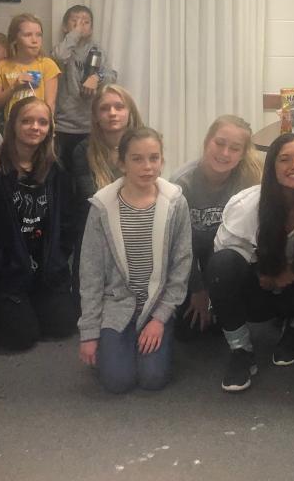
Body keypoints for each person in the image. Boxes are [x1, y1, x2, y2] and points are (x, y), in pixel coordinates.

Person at [206, 134, 294, 392]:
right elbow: (225, 264)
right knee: (221, 266)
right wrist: (264, 276)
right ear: (271, 167)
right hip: (258, 291)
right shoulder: (246, 206)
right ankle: (241, 350)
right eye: (284, 159)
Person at [0, 98, 77, 351]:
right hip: (6, 272)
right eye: (27, 121)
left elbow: (66, 223)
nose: (35, 127)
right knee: (20, 337)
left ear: (49, 129)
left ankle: (30, 302)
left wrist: (56, 259)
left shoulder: (55, 171)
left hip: (44, 269)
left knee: (63, 324)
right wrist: (3, 269)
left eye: (42, 122)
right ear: (13, 126)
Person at [77, 127, 192, 394]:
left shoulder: (176, 204)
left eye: (154, 158)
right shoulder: (102, 208)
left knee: (153, 379)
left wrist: (159, 319)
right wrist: (89, 333)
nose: (147, 167)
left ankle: (150, 342)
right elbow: (91, 273)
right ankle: (118, 345)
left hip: (156, 305)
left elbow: (181, 266)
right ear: (122, 163)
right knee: (117, 382)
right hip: (117, 305)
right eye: (137, 159)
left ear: (162, 161)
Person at [172, 115, 263, 339]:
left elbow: (255, 236)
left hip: (228, 260)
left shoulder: (250, 181)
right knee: (189, 331)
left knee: (252, 309)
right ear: (207, 141)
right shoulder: (181, 184)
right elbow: (178, 245)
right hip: (191, 259)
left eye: (234, 148)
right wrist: (198, 289)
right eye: (219, 143)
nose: (225, 153)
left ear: (242, 154)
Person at [66, 83, 143, 297]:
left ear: (130, 111)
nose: (112, 113)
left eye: (119, 106)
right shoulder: (83, 150)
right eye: (105, 108)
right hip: (95, 235)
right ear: (96, 116)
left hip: (135, 231)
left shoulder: (144, 145)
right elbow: (93, 199)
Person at [51, 5, 115, 169]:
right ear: (65, 27)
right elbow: (59, 58)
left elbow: (111, 76)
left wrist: (97, 77)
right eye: (75, 21)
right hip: (62, 125)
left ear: (92, 29)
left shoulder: (97, 50)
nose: (80, 25)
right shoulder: (61, 48)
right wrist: (75, 33)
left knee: (87, 171)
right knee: (62, 172)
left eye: (86, 22)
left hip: (90, 125)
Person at [0, 13, 61, 115]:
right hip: (12, 123)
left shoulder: (48, 65)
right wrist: (14, 87)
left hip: (39, 122)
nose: (35, 40)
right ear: (15, 39)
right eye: (27, 35)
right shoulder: (2, 67)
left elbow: (50, 105)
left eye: (39, 35)